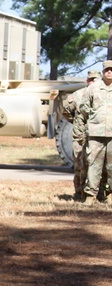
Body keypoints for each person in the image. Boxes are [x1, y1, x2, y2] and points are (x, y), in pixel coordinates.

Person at [78, 60, 112, 204]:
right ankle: (90, 195)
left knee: (111, 167)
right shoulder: (93, 88)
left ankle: (110, 194)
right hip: (96, 132)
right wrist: (95, 118)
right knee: (94, 165)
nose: (109, 72)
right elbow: (84, 107)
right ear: (103, 71)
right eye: (107, 70)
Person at [64, 71, 98, 201]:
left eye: (95, 80)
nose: (93, 82)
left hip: (96, 136)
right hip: (80, 138)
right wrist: (75, 122)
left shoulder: (101, 94)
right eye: (91, 79)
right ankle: (79, 192)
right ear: (87, 80)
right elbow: (66, 110)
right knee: (80, 166)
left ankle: (98, 193)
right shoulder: (78, 95)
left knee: (96, 166)